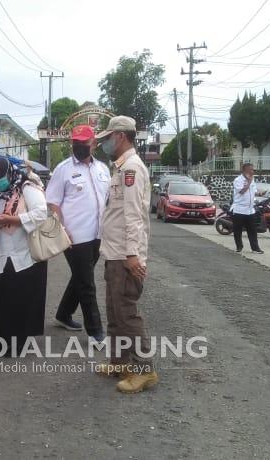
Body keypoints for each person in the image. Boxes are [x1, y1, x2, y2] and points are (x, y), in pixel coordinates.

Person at [95, 115, 158, 394]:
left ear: (120, 136)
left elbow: (133, 216)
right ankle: (121, 362)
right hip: (114, 252)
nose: (104, 143)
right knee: (114, 313)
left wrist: (133, 255)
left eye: (107, 138)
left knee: (127, 314)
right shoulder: (121, 168)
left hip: (125, 255)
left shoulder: (131, 168)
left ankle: (145, 371)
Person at [0, 157, 48, 356]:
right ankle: (0, 342)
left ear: (8, 172)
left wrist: (12, 219)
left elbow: (42, 213)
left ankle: (18, 344)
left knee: (19, 301)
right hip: (0, 254)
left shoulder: (26, 188)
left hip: (23, 254)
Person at [45, 125, 109, 342]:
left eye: (83, 142)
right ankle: (96, 332)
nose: (79, 146)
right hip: (74, 236)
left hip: (98, 235)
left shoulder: (102, 169)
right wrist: (62, 230)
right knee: (87, 283)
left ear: (93, 143)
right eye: (75, 142)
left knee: (81, 277)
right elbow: (52, 202)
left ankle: (64, 314)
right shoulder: (63, 169)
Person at [231, 163, 264, 255]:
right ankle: (239, 246)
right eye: (251, 170)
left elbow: (253, 191)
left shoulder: (252, 180)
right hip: (239, 209)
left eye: (253, 170)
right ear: (245, 170)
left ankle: (255, 248)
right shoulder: (238, 180)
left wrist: (259, 193)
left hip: (250, 210)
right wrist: (249, 182)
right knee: (238, 230)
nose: (253, 171)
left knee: (252, 230)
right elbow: (241, 191)